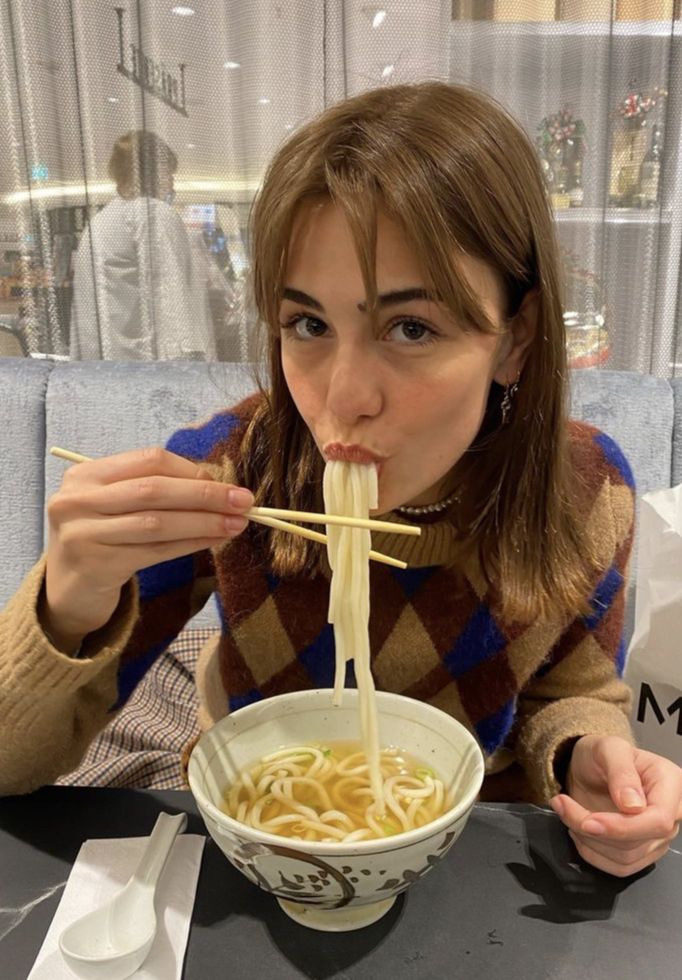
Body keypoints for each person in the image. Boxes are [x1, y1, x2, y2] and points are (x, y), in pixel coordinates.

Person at [1, 82, 680, 877]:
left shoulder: (587, 491)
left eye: (411, 327)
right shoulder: (229, 474)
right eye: (309, 325)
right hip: (258, 841)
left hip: (471, 857)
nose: (343, 398)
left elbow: (574, 684)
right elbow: (12, 770)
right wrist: (66, 603)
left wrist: (585, 753)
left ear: (515, 339)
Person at [69, 130, 221, 361]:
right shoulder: (154, 215)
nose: (172, 182)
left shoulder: (101, 220)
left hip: (101, 371)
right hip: (146, 372)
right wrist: (195, 372)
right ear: (151, 173)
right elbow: (176, 304)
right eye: (168, 173)